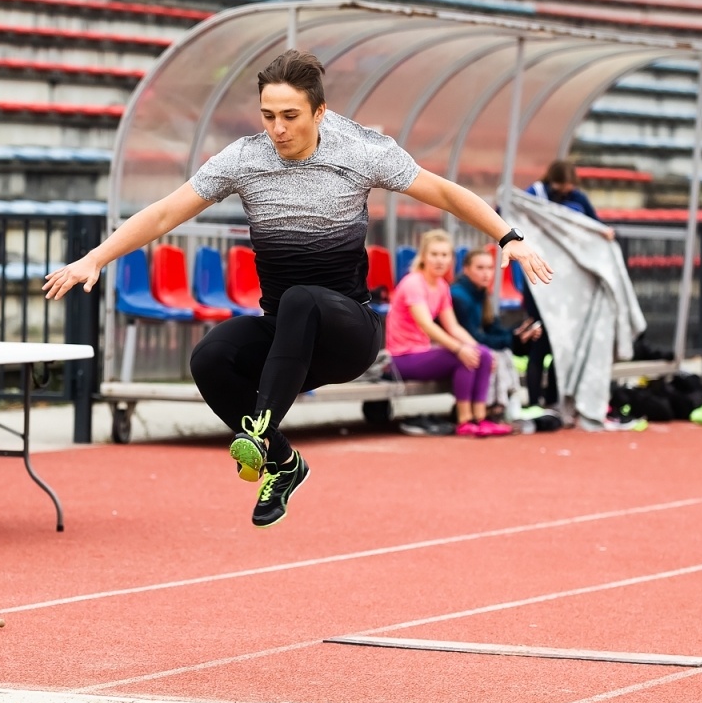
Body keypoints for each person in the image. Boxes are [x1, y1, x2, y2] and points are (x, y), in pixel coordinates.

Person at [44, 49, 552, 526]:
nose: (278, 129)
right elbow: (164, 213)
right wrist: (95, 258)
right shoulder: (245, 159)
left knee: (302, 298)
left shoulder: (360, 150)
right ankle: (283, 461)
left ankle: (258, 434)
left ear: (320, 112)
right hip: (287, 333)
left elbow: (443, 190)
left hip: (348, 331)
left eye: (290, 116)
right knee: (210, 357)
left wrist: (509, 237)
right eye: (268, 116)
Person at [386, 231, 507, 437]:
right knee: (462, 356)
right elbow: (427, 325)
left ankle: (481, 418)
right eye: (434, 254)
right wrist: (460, 349)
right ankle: (464, 420)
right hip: (401, 359)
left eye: (445, 255)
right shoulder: (413, 283)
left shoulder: (441, 286)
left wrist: (481, 348)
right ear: (423, 256)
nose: (440, 260)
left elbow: (454, 327)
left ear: (451, 259)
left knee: (482, 354)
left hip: (422, 353)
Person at [448, 246, 549, 421]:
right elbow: (476, 338)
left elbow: (493, 329)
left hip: (471, 347)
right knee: (496, 355)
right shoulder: (459, 296)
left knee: (504, 352)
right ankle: (491, 409)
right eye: (480, 268)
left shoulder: (481, 293)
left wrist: (518, 334)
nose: (486, 273)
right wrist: (511, 339)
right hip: (454, 349)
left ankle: (499, 406)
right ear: (466, 269)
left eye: (489, 268)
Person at [527, 160, 617, 241]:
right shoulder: (537, 192)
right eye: (560, 187)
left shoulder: (578, 198)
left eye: (567, 187)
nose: (563, 192)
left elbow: (595, 222)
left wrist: (605, 231)